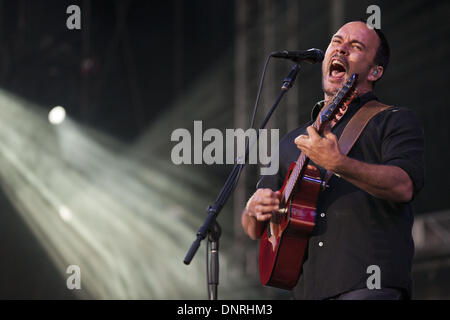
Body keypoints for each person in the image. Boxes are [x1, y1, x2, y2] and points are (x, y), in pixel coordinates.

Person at [241, 21, 425, 300]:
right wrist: (253, 208)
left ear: (375, 71)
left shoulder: (394, 119)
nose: (341, 49)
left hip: (366, 286)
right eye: (336, 41)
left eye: (356, 46)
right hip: (306, 290)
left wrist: (338, 163)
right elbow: (254, 228)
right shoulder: (291, 141)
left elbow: (403, 186)